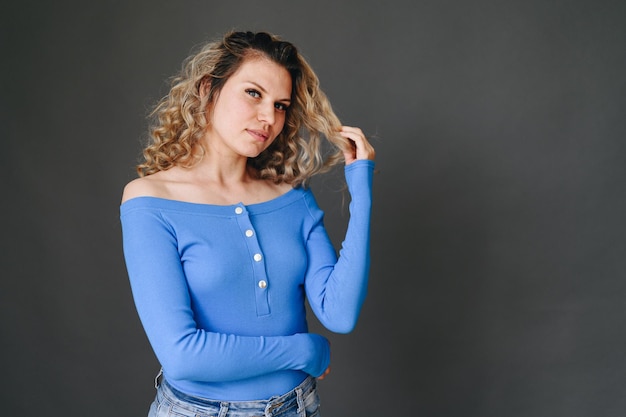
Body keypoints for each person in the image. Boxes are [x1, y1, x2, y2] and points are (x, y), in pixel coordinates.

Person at [120, 30, 375, 417]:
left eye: (281, 105)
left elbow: (338, 313)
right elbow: (183, 356)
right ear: (209, 88)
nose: (268, 118)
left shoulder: (292, 198)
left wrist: (363, 193)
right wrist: (304, 349)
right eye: (253, 93)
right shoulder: (150, 201)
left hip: (297, 408)